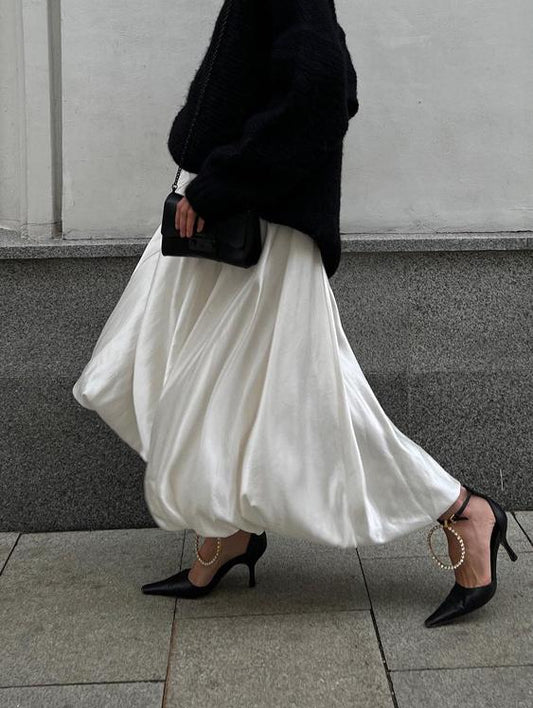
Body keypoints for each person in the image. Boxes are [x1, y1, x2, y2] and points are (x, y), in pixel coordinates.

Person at [72, 0, 518, 627]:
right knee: (164, 372)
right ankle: (229, 529)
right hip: (233, 221)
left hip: (260, 228)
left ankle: (464, 511)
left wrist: (221, 182)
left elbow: (324, 94)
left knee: (308, 399)